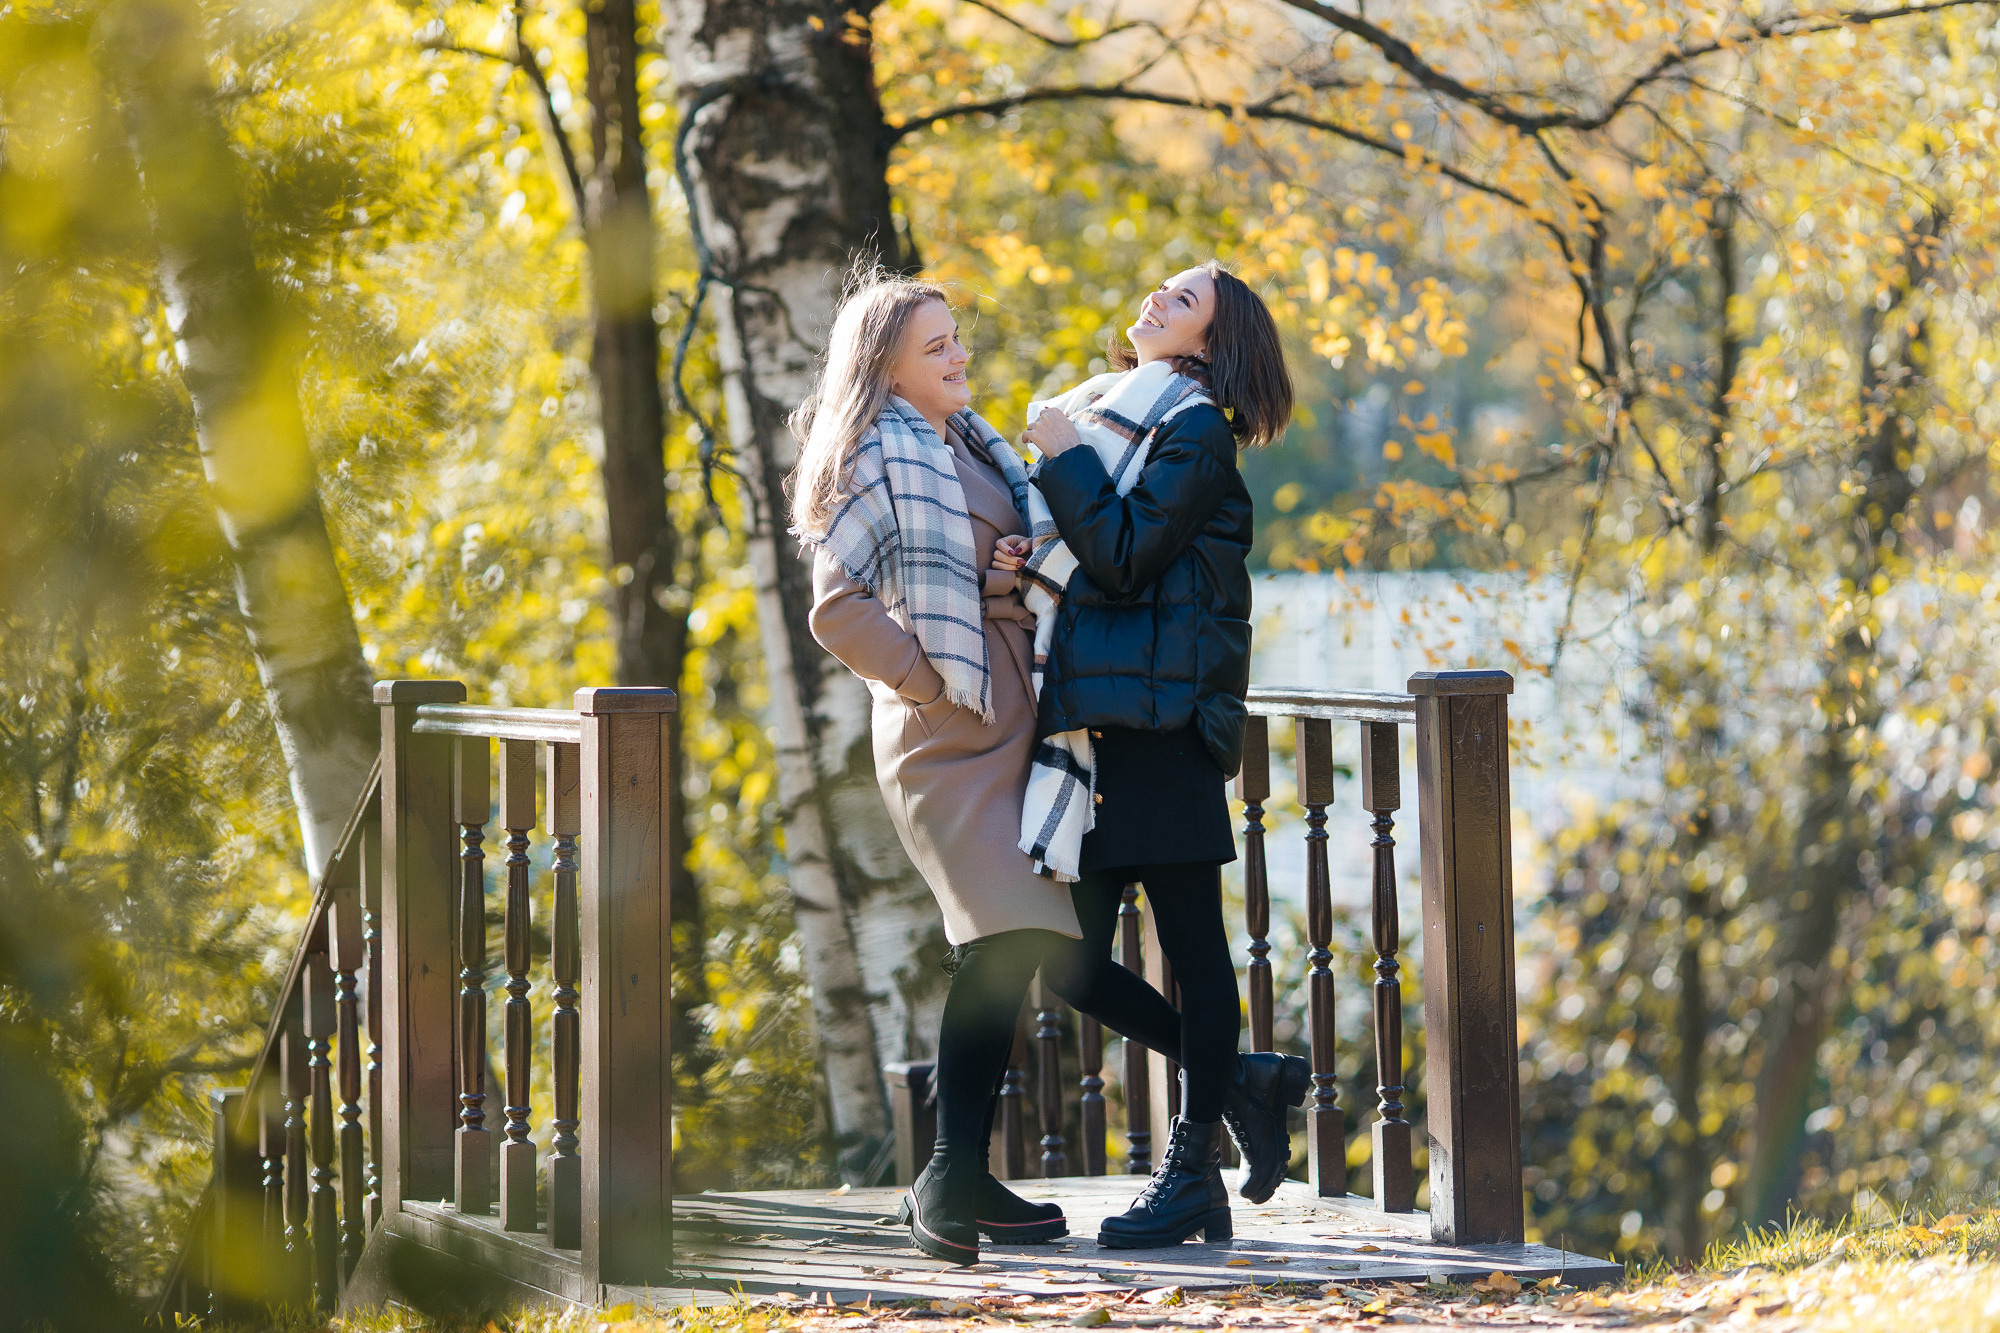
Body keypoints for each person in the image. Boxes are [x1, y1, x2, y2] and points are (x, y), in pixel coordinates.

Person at [1003, 261, 1301, 1248]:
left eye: (1182, 301)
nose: (1154, 300)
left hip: (1163, 724)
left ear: (1212, 344)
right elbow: (1093, 558)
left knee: (1193, 952)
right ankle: (1242, 1080)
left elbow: (1125, 555)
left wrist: (1060, 459)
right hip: (1096, 719)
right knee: (1070, 964)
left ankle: (1191, 1174)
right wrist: (1031, 555)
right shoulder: (1111, 414)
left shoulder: (1196, 428)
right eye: (1160, 288)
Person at [793, 269, 1083, 1265]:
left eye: (956, 337)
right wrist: (925, 683)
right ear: (885, 368)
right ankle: (949, 1175)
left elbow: (981, 551)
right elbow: (837, 609)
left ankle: (960, 1171)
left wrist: (1012, 562)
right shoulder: (874, 453)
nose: (959, 355)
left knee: (1013, 943)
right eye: (936, 346)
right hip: (945, 728)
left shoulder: (969, 440)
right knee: (1002, 938)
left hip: (1012, 703)